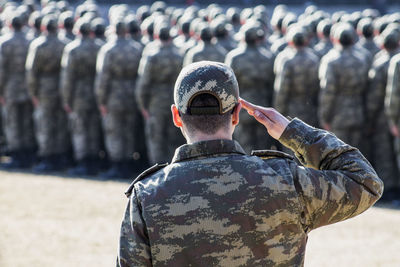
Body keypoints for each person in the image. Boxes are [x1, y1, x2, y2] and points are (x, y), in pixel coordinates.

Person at [117, 61, 383, 266]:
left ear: (176, 116)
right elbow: (365, 182)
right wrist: (293, 133)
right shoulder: (286, 181)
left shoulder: (147, 196)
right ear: (236, 114)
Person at [26, 15, 71, 172]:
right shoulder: (65, 44)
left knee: (45, 125)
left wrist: (33, 93)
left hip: (44, 90)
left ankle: (47, 158)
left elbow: (31, 72)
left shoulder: (39, 45)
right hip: (60, 88)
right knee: (60, 124)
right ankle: (60, 157)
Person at [0, 14, 36, 168]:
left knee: (13, 123)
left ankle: (16, 156)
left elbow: (1, 70)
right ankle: (28, 155)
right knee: (27, 122)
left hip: (11, 88)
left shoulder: (4, 43)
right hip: (28, 87)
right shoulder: (30, 41)